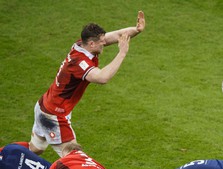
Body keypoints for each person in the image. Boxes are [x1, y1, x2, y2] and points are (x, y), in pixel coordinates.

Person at [29, 11, 145, 157]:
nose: (105, 43)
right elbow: (102, 78)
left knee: (34, 150)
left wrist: (137, 29)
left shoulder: (81, 45)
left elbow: (116, 35)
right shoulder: (80, 63)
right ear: (91, 43)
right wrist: (122, 53)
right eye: (101, 41)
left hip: (44, 106)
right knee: (76, 161)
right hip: (54, 115)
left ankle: (8, 160)